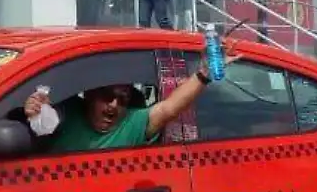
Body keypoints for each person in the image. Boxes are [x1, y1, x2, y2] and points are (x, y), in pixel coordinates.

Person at [24, 55, 229, 153]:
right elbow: (42, 122)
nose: (114, 105)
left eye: (122, 99)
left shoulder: (132, 123)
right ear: (88, 95)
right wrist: (34, 110)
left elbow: (169, 108)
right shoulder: (67, 112)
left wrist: (203, 75)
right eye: (107, 96)